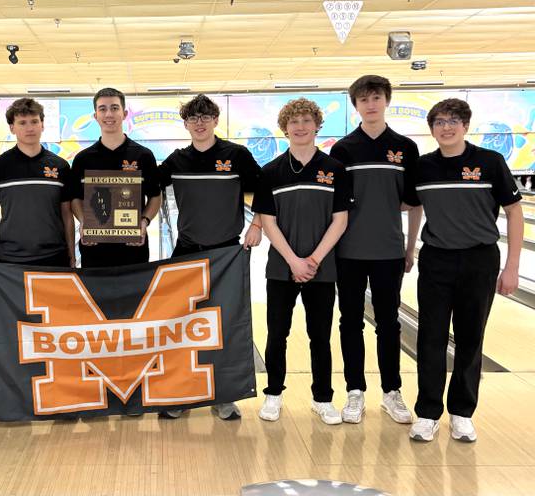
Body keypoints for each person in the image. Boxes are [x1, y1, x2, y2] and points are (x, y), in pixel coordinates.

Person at [409, 98, 523, 442]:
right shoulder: (422, 167)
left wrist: (512, 266)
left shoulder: (489, 162)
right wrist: (407, 248)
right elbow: (410, 206)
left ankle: (461, 412)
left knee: (471, 339)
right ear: (432, 129)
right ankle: (428, 413)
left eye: (454, 120)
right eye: (440, 121)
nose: (447, 126)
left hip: (479, 260)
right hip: (436, 259)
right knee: (430, 338)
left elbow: (515, 213)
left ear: (466, 125)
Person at [156, 93, 262, 421]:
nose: (199, 123)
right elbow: (143, 188)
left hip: (227, 253)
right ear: (186, 124)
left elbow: (265, 189)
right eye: (193, 118)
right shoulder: (176, 160)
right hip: (186, 251)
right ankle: (182, 394)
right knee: (182, 327)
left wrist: (256, 224)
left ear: (216, 120)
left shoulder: (236, 155)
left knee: (226, 327)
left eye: (205, 117)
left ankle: (224, 396)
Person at [328, 75, 421, 424]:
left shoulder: (405, 148)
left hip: (389, 250)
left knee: (388, 324)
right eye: (364, 99)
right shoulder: (343, 150)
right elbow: (335, 206)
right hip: (349, 250)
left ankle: (391, 392)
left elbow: (413, 203)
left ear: (386, 100)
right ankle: (355, 392)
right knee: (350, 322)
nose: (371, 104)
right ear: (356, 105)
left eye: (376, 97)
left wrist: (411, 247)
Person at [252, 98, 351, 425]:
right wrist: (294, 261)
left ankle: (322, 398)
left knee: (320, 335)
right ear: (285, 128)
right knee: (276, 333)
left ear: (316, 125)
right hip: (281, 267)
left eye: (307, 120)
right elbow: (268, 221)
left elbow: (340, 220)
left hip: (321, 268)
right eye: (294, 121)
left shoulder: (334, 170)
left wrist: (313, 259)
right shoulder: (271, 171)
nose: (300, 126)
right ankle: (273, 394)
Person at [0, 97, 74, 272]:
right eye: (22, 123)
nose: (30, 128)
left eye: (34, 121)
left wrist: (71, 253)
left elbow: (67, 215)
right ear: (12, 127)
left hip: (55, 257)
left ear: (42, 124)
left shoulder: (60, 166)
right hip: (11, 259)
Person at [69, 88, 162, 268]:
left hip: (134, 248)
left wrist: (144, 221)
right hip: (94, 249)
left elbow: (155, 197)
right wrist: (84, 222)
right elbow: (75, 198)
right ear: (95, 115)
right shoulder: (83, 159)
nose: (109, 114)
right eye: (102, 109)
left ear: (124, 113)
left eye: (114, 108)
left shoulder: (143, 155)